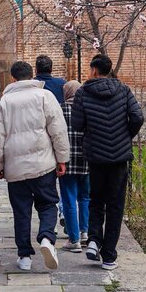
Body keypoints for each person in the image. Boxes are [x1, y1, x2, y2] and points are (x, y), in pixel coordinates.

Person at [0, 61, 70, 271]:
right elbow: (58, 130)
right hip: (43, 164)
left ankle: (24, 256)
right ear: (33, 76)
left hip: (16, 168)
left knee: (21, 211)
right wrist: (62, 158)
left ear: (13, 78)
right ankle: (46, 237)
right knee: (48, 204)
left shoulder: (5, 101)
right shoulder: (44, 96)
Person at [72, 54, 144, 270]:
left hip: (96, 156)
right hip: (120, 158)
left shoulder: (83, 92)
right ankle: (109, 255)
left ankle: (94, 240)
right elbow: (137, 117)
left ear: (94, 70)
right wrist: (125, 137)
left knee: (96, 200)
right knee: (115, 205)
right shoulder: (123, 90)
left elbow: (77, 124)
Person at [58, 80, 89, 253]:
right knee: (85, 197)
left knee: (69, 199)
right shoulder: (87, 108)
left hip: (66, 160)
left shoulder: (60, 109)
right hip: (86, 159)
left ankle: (74, 238)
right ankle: (85, 232)